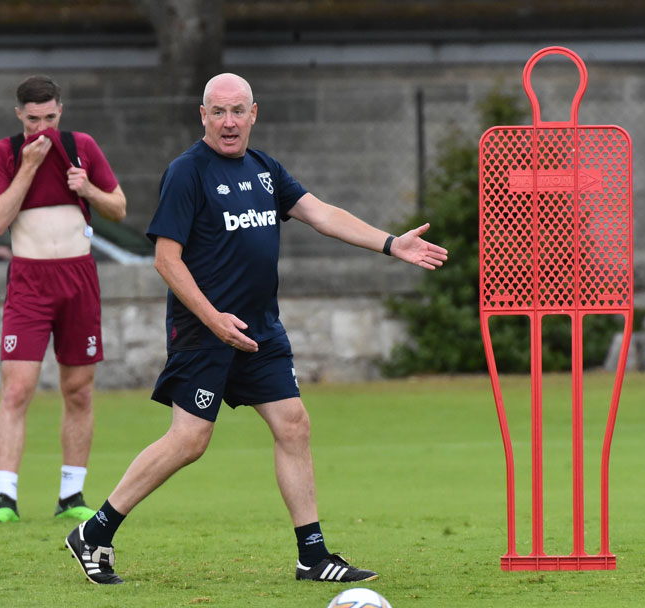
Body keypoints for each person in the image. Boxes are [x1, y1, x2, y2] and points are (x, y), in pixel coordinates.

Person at [64, 73, 448, 585]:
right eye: (218, 111)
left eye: (237, 111)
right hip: (205, 331)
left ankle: (313, 556)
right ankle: (94, 532)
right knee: (189, 440)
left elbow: (321, 213)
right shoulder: (186, 172)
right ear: (203, 115)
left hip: (261, 330)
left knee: (294, 423)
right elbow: (166, 259)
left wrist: (390, 243)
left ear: (253, 114)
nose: (228, 122)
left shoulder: (264, 169)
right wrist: (213, 319)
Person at [0, 75, 126, 523]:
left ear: (60, 111)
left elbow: (118, 207)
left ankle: (72, 494)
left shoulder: (81, 145)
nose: (42, 128)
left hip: (78, 277)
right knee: (17, 387)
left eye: (49, 118)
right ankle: (5, 497)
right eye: (33, 119)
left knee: (79, 390)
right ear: (19, 114)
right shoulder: (4, 153)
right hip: (29, 279)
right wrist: (28, 166)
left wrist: (88, 189)